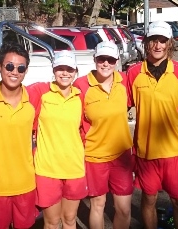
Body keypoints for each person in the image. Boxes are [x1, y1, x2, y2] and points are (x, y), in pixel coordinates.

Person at [126, 21, 178, 229]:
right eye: (153, 40)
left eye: (162, 41)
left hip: (175, 152)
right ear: (147, 43)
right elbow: (119, 110)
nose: (158, 45)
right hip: (146, 153)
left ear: (169, 43)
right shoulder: (133, 73)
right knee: (149, 199)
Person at [73, 41, 134, 229]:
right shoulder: (81, 85)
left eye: (110, 59)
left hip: (121, 155)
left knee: (123, 209)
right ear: (95, 59)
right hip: (94, 156)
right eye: (101, 59)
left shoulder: (124, 81)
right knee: (98, 205)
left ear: (117, 61)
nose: (106, 63)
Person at [0, 42, 37, 229]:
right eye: (9, 66)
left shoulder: (35, 99)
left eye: (21, 68)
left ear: (26, 71)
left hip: (26, 184)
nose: (15, 72)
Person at [26, 50, 87, 229]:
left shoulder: (80, 96)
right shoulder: (41, 92)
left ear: (75, 71)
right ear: (53, 70)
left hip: (74, 168)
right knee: (52, 222)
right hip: (47, 169)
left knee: (69, 220)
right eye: (60, 68)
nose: (65, 73)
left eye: (69, 69)